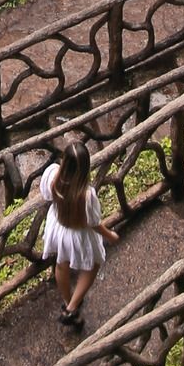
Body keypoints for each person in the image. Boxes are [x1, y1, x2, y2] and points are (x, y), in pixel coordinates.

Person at [32, 136, 119, 330]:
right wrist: (110, 235)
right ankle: (71, 308)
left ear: (64, 162)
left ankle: (67, 299)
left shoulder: (53, 177)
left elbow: (46, 195)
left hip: (58, 229)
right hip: (78, 235)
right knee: (92, 265)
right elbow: (94, 222)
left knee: (61, 265)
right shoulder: (87, 195)